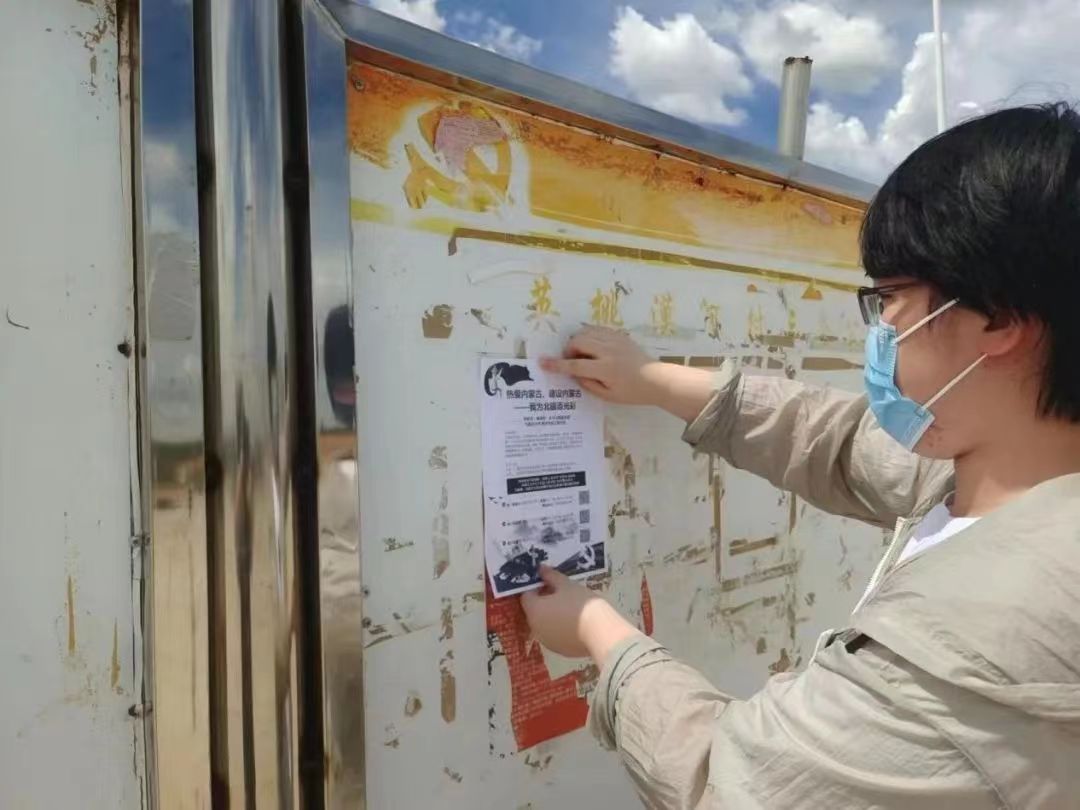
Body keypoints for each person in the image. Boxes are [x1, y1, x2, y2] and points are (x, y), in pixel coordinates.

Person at [521, 103, 1080, 809]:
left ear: (997, 319)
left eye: (890, 299)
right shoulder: (1005, 480)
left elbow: (727, 783)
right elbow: (839, 441)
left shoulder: (975, 651)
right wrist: (655, 381)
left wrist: (599, 634)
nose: (880, 330)